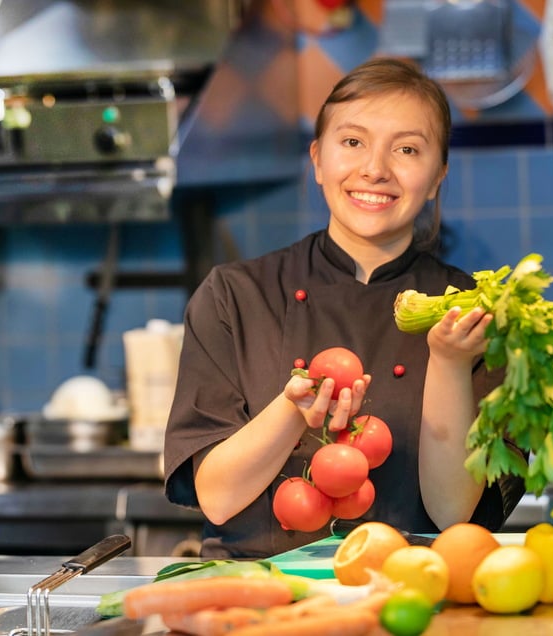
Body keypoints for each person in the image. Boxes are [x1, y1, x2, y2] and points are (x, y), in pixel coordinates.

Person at [163, 57, 525, 559]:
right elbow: (217, 497)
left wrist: (449, 360)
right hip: (259, 608)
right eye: (352, 142)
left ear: (438, 175)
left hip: (411, 599)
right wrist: (292, 412)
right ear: (317, 159)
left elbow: (452, 515)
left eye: (407, 149)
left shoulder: (476, 315)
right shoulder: (235, 296)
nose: (375, 169)